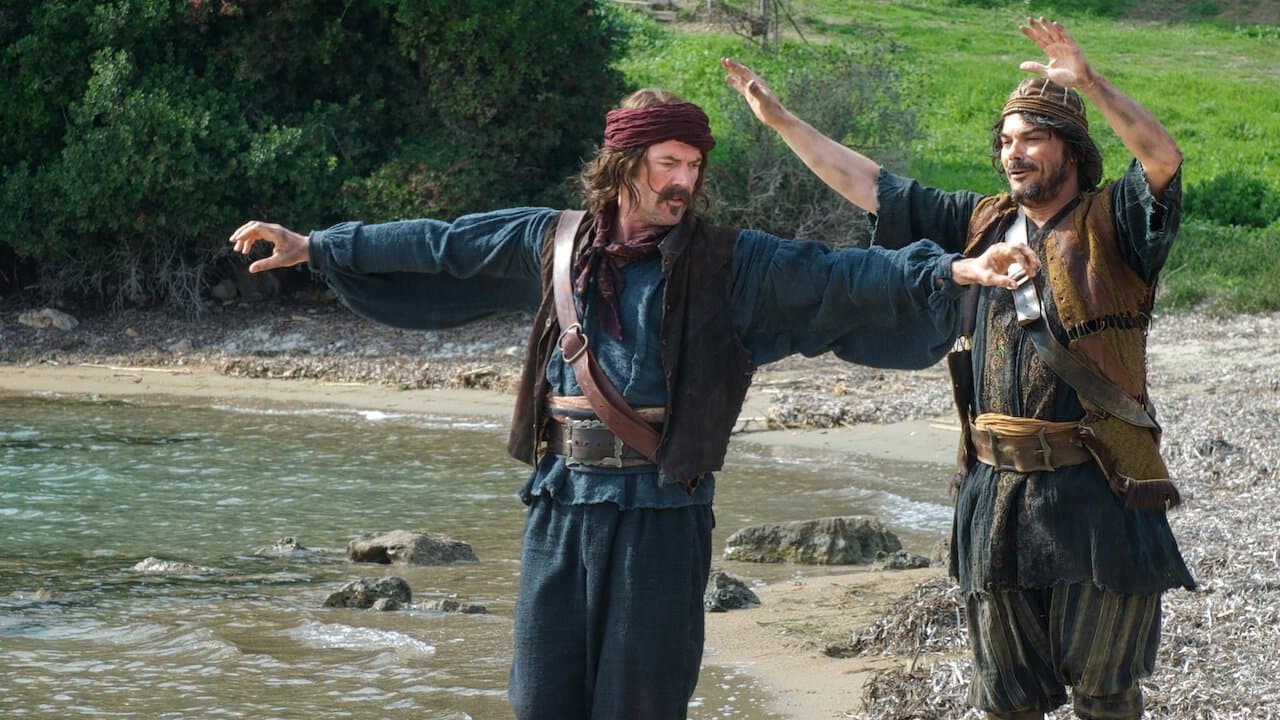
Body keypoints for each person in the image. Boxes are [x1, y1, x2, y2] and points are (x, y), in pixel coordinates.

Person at [229, 88, 1033, 719]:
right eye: (667, 163)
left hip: (662, 509)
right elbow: (445, 246)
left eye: (694, 166)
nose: (684, 181)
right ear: (622, 165)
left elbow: (836, 275)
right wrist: (318, 246)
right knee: (540, 699)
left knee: (640, 705)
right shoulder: (553, 242)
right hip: (560, 501)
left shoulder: (730, 262)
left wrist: (949, 272)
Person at [725, 16, 1194, 720]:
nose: (1014, 153)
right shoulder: (979, 223)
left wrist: (1092, 84)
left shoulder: (1116, 224)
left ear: (1071, 148)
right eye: (1005, 141)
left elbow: (1162, 160)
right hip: (995, 495)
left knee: (1106, 696)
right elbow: (871, 184)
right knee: (1005, 702)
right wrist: (784, 122)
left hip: (1099, 491)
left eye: (1031, 138)